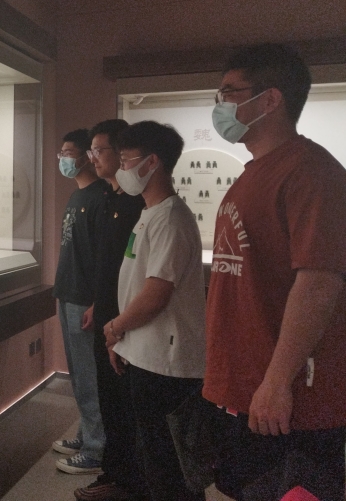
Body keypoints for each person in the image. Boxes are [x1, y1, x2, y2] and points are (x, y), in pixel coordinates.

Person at [205, 43, 346, 501]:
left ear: (270, 99)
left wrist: (276, 381)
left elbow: (320, 281)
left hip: (289, 399)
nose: (220, 104)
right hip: (247, 387)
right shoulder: (254, 173)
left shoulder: (311, 171)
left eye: (229, 92)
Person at [106, 121, 206, 501]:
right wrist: (122, 339)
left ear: (152, 163)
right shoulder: (150, 212)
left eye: (126, 160)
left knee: (170, 468)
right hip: (146, 353)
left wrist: (114, 328)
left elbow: (155, 295)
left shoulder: (171, 218)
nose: (121, 169)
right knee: (154, 458)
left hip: (166, 363)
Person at [74, 119, 147, 501]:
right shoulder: (111, 200)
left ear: (120, 153)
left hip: (122, 324)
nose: (93, 158)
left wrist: (118, 324)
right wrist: (95, 305)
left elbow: (138, 275)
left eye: (99, 150)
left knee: (121, 405)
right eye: (91, 151)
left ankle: (123, 480)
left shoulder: (136, 205)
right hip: (105, 315)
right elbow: (108, 265)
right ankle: (114, 474)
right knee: (109, 400)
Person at [51, 129, 107, 475]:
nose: (63, 159)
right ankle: (88, 434)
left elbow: (104, 258)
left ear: (87, 156)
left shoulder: (100, 197)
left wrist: (97, 303)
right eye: (61, 153)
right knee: (78, 375)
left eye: (68, 153)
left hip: (84, 300)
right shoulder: (77, 196)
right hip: (68, 293)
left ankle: (96, 448)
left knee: (89, 376)